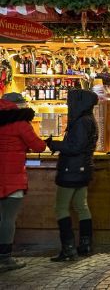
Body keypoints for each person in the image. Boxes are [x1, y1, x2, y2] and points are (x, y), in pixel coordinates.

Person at [44, 89, 99, 260]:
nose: (69, 104)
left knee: (61, 208)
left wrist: (55, 145)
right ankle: (86, 244)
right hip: (82, 169)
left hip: (72, 170)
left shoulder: (81, 121)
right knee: (81, 206)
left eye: (71, 101)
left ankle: (68, 249)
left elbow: (75, 147)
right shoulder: (89, 119)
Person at [0, 95, 46, 272]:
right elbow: (39, 147)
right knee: (8, 219)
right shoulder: (20, 124)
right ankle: (4, 258)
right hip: (13, 179)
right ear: (18, 106)